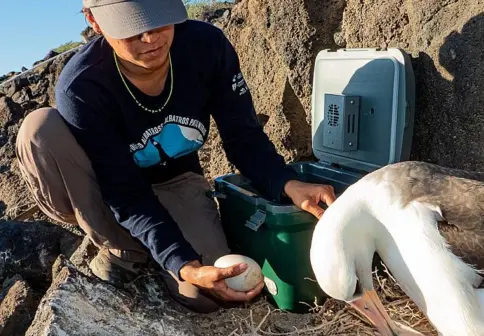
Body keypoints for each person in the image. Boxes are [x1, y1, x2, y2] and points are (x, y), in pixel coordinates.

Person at [15, 0, 336, 313]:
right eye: (131, 29)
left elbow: (244, 136)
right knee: (40, 129)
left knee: (206, 295)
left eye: (158, 19)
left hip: (176, 180)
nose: (150, 38)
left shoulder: (205, 46)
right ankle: (121, 244)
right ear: (94, 22)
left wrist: (287, 183)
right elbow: (125, 193)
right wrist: (179, 260)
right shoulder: (83, 85)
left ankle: (153, 245)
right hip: (103, 189)